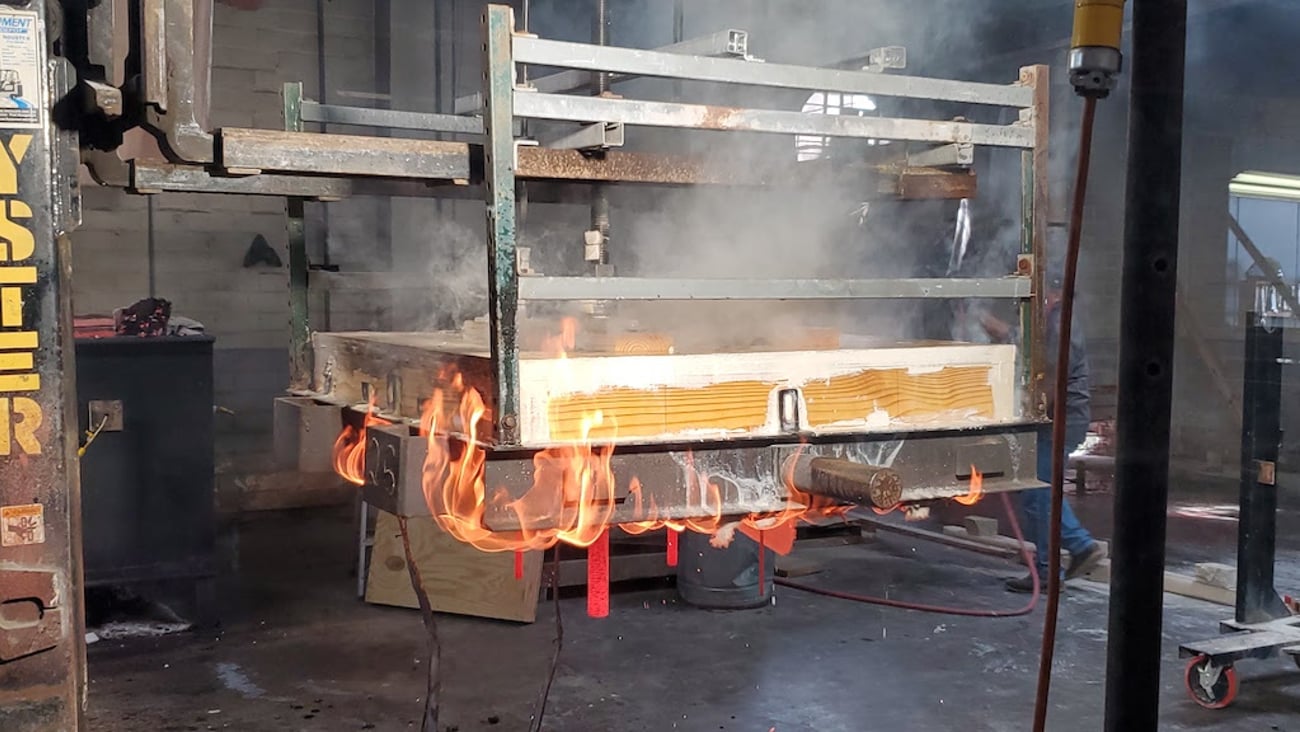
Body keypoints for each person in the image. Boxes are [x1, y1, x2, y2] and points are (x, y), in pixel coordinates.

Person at [979, 262, 1105, 593]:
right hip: (1056, 418)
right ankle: (1052, 566)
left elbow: (1051, 377)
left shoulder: (1059, 322)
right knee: (1036, 491)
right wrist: (987, 322)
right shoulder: (1051, 320)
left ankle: (1075, 550)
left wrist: (1024, 411)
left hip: (1057, 419)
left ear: (1050, 293)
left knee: (1038, 495)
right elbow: (1019, 338)